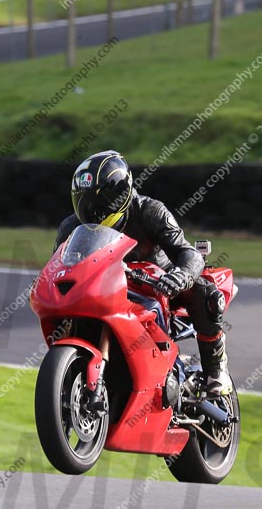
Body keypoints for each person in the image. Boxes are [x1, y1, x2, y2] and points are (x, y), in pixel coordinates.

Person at [53, 150, 232, 395]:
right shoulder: (71, 227)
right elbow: (58, 267)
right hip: (104, 287)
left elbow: (188, 253)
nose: (91, 209)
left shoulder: (150, 211)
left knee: (205, 292)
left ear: (119, 194)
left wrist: (180, 277)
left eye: (99, 201)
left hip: (159, 283)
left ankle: (216, 369)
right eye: (83, 201)